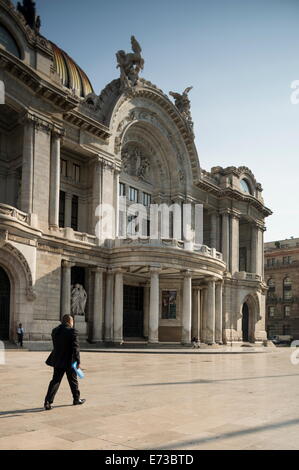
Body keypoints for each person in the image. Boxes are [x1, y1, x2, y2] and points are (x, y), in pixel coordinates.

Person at [44, 314, 85, 410]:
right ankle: (76, 399)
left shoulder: (55, 331)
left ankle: (47, 401)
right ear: (70, 321)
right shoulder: (72, 331)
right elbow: (76, 348)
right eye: (72, 321)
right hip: (69, 361)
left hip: (58, 360)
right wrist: (78, 361)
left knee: (55, 381)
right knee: (73, 381)